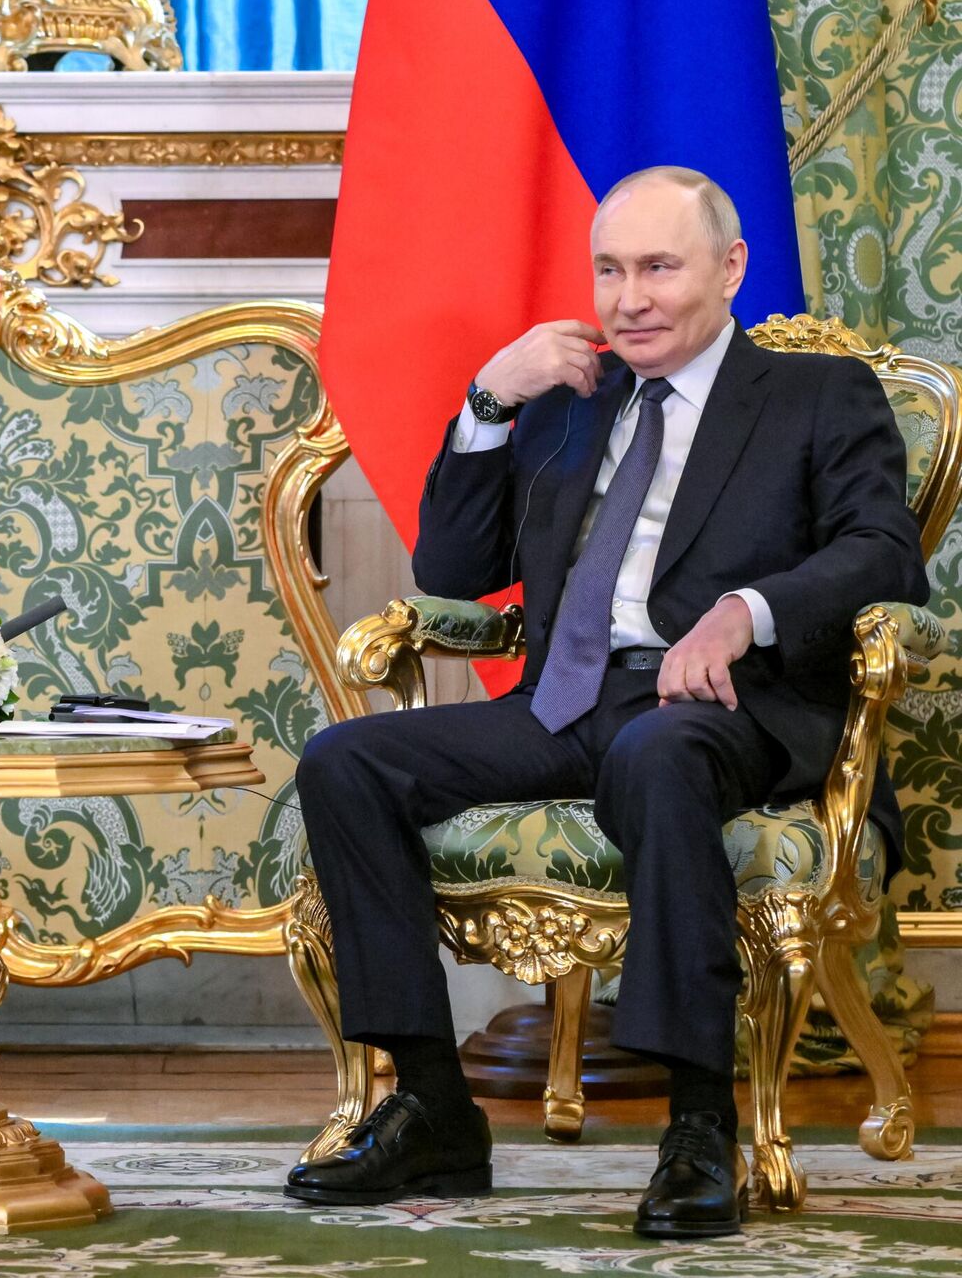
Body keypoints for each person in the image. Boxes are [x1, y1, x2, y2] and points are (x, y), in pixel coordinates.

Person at [286, 167, 927, 1239]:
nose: (629, 298)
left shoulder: (817, 396)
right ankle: (434, 1106)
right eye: (610, 270)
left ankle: (699, 1125)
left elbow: (883, 550)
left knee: (658, 752)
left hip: (727, 703)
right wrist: (491, 400)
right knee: (346, 761)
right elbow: (454, 572)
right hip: (565, 701)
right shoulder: (573, 404)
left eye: (659, 267)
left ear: (731, 268)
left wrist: (745, 613)